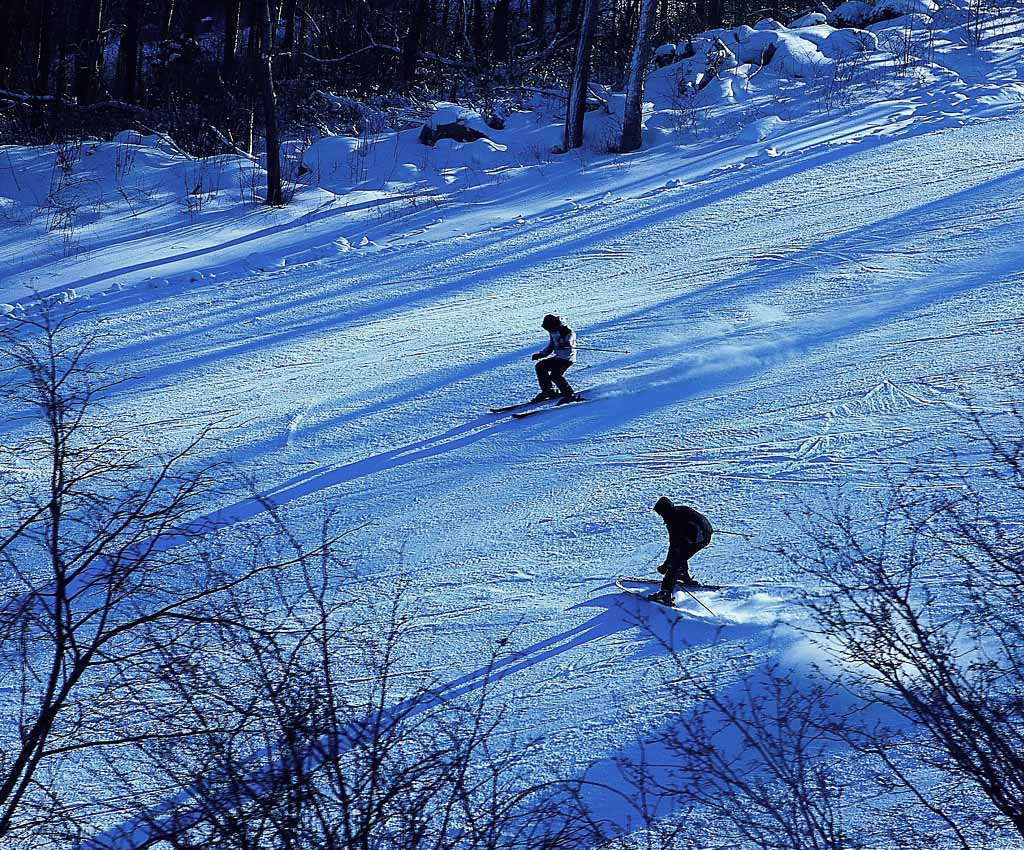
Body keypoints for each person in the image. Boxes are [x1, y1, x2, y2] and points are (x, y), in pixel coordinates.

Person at [648, 497, 713, 606]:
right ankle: (683, 574)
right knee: (680, 554)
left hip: (699, 538)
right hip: (704, 532)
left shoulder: (674, 522)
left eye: (660, 513)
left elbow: (674, 547)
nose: (660, 516)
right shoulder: (680, 510)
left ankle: (666, 593)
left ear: (665, 511)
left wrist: (667, 565)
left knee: (677, 560)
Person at [531, 314, 578, 404]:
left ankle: (569, 394)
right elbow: (551, 345)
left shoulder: (567, 331)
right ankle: (548, 392)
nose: (549, 331)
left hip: (567, 359)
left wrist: (565, 344)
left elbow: (571, 344)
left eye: (549, 328)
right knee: (540, 366)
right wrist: (541, 354)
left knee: (555, 375)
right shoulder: (553, 331)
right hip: (558, 358)